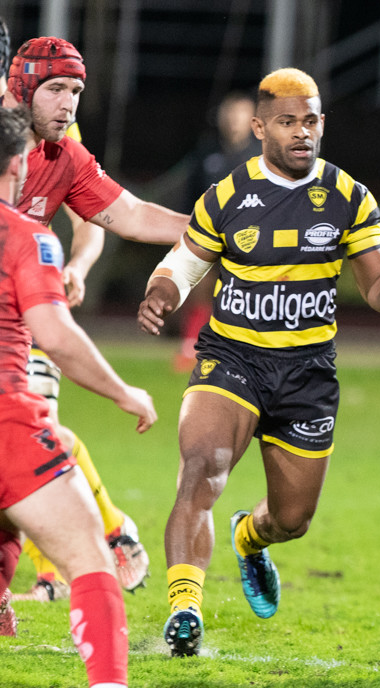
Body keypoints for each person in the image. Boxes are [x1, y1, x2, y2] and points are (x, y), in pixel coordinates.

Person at [137, 67, 380, 657]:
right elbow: (182, 264)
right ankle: (185, 610)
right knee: (202, 466)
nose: (302, 132)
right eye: (288, 122)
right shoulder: (226, 195)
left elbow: (376, 288)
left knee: (292, 520)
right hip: (233, 358)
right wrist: (162, 292)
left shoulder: (348, 196)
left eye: (311, 121)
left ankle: (250, 536)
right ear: (259, 127)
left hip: (307, 375)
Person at [0, 106, 186, 688]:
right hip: (8, 420)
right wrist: (122, 391)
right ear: (18, 166)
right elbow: (56, 334)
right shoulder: (27, 236)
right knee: (90, 561)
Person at [2, 36, 192, 601]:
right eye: (57, 89)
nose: (68, 104)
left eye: (76, 91)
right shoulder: (15, 139)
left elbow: (129, 215)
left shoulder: (63, 153)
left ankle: (79, 553)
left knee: (30, 434)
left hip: (22, 325)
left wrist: (216, 230)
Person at [173, 91, 260, 371]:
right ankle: (191, 345)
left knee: (248, 293)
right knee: (200, 286)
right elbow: (190, 196)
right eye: (230, 113)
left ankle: (250, 349)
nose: (234, 120)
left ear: (253, 120)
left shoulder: (262, 156)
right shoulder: (206, 153)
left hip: (252, 238)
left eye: (240, 114)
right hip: (209, 234)